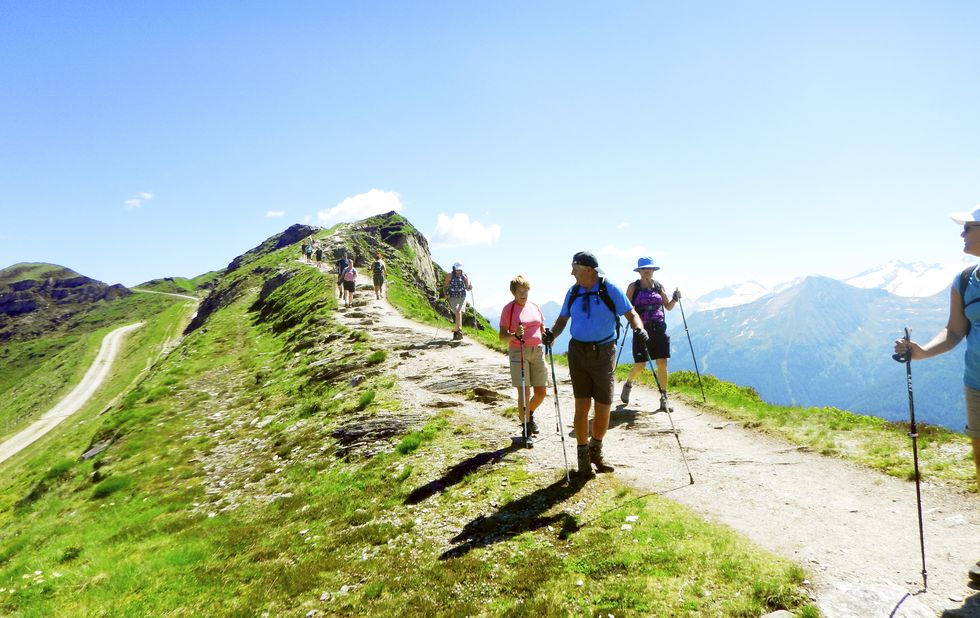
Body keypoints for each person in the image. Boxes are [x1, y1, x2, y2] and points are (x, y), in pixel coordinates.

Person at [894, 205, 980, 494]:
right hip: (976, 385)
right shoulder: (965, 281)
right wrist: (921, 352)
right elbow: (955, 330)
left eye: (968, 227)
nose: (962, 233)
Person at [543, 251, 647, 480]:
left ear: (588, 270)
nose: (571, 273)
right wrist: (552, 334)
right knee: (582, 406)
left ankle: (595, 451)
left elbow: (631, 314)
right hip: (578, 353)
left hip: (604, 353)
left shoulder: (610, 289)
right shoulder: (573, 291)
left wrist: (640, 329)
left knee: (603, 406)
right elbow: (562, 320)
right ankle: (583, 460)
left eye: (574, 268)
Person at [621, 257, 681, 412]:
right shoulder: (633, 287)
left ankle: (664, 398)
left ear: (653, 270)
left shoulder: (659, 286)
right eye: (643, 269)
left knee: (662, 362)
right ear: (639, 271)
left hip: (659, 328)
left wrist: (675, 298)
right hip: (642, 330)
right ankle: (628, 383)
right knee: (640, 365)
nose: (647, 271)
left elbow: (667, 306)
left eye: (649, 268)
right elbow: (626, 308)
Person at [499, 275, 548, 446]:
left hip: (537, 351)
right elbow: (502, 336)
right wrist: (515, 335)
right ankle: (526, 427)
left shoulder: (534, 307)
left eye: (526, 291)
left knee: (541, 392)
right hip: (518, 351)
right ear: (513, 292)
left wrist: (546, 335)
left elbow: (542, 327)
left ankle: (529, 414)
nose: (524, 294)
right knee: (524, 392)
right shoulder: (509, 310)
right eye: (520, 291)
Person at [443, 262, 472, 341]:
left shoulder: (464, 276)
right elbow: (445, 286)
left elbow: (467, 288)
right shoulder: (450, 275)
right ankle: (458, 329)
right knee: (457, 312)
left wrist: (470, 287)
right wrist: (445, 294)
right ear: (454, 269)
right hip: (452, 297)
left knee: (459, 313)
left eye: (460, 270)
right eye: (457, 270)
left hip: (462, 297)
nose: (458, 271)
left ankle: (457, 330)